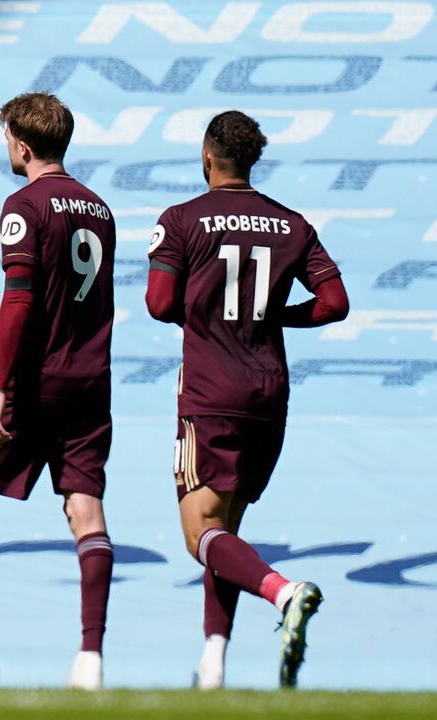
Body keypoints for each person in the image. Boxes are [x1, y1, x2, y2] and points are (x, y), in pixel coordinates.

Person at [145, 110, 349, 689]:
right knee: (224, 533)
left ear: (207, 156)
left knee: (198, 534)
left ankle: (284, 592)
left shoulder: (181, 219)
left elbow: (160, 304)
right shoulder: (292, 225)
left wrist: (208, 309)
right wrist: (272, 316)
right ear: (252, 159)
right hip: (268, 390)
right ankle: (213, 666)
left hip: (210, 390)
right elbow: (335, 303)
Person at [0, 93, 117, 691]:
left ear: (20, 143)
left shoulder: (22, 205)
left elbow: (18, 299)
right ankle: (90, 660)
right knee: (85, 510)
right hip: (90, 383)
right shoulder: (99, 208)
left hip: (32, 381)